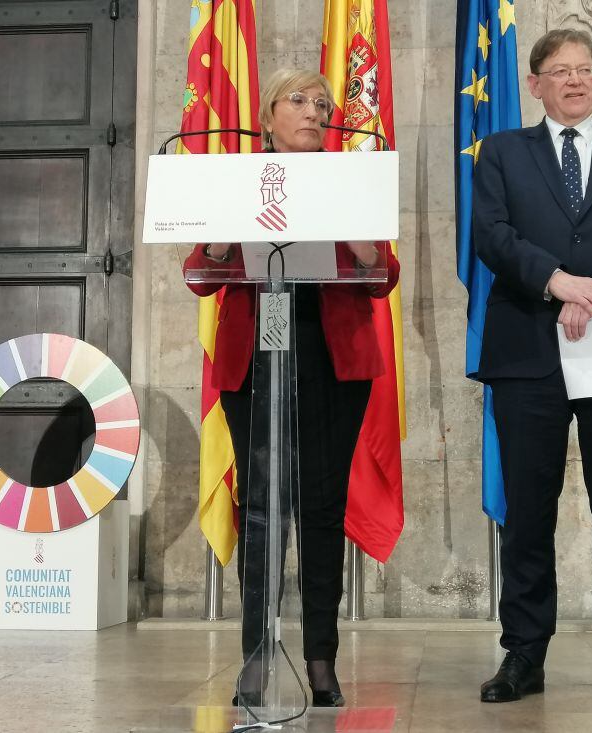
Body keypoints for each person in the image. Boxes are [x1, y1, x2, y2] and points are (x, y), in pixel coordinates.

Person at [182, 69, 400, 708]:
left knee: (322, 506)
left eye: (323, 104)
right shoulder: (238, 175)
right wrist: (224, 221)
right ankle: (255, 654)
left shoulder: (352, 175)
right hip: (254, 357)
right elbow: (200, 273)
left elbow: (381, 272)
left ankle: (321, 658)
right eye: (299, 101)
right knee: (260, 509)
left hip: (332, 358)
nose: (313, 112)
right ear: (269, 112)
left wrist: (357, 235)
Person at [472, 29, 592, 705]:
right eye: (561, 72)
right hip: (528, 349)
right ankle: (523, 655)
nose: (576, 81)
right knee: (530, 510)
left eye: (585, 70)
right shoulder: (500, 153)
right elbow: (492, 235)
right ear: (535, 85)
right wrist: (557, 281)